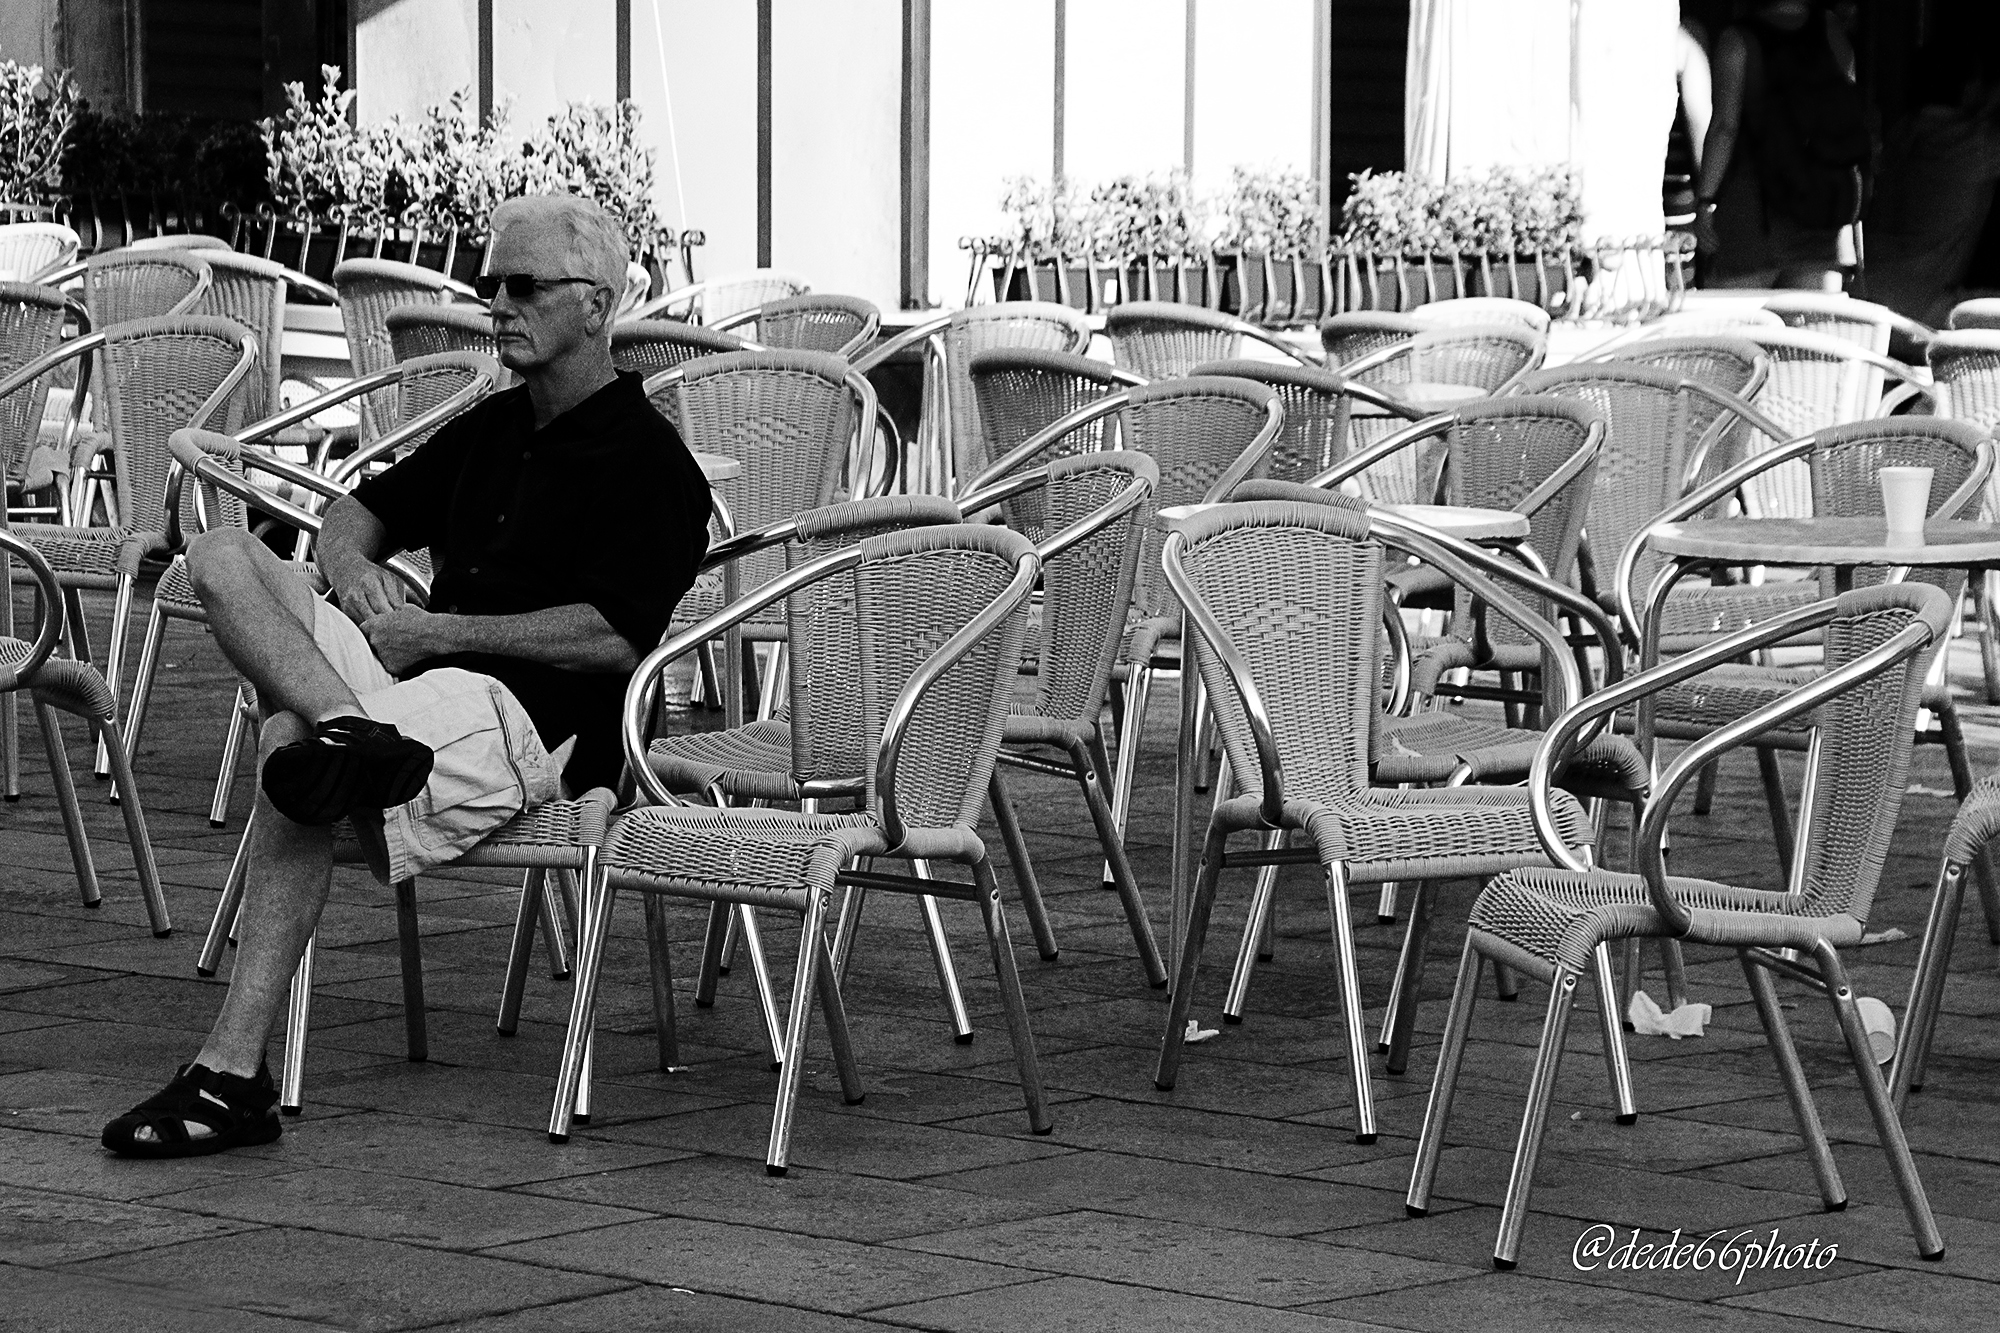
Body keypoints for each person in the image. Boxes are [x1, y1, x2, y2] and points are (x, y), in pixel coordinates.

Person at [100, 194, 712, 1157]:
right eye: (489, 286)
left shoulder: (648, 459)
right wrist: (355, 575)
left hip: (520, 720)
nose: (497, 305)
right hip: (396, 690)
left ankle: (230, 1071)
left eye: (523, 286)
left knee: (290, 755)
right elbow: (352, 516)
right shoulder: (495, 427)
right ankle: (348, 724)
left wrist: (436, 630)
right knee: (222, 554)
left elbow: (619, 639)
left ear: (597, 305)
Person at [1693, 0, 1874, 289]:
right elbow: (1846, 115)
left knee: (1738, 327)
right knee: (1814, 328)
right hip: (1820, 210)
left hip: (1753, 215)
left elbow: (1724, 129)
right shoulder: (1829, 28)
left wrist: (1705, 201)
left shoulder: (1737, 41)